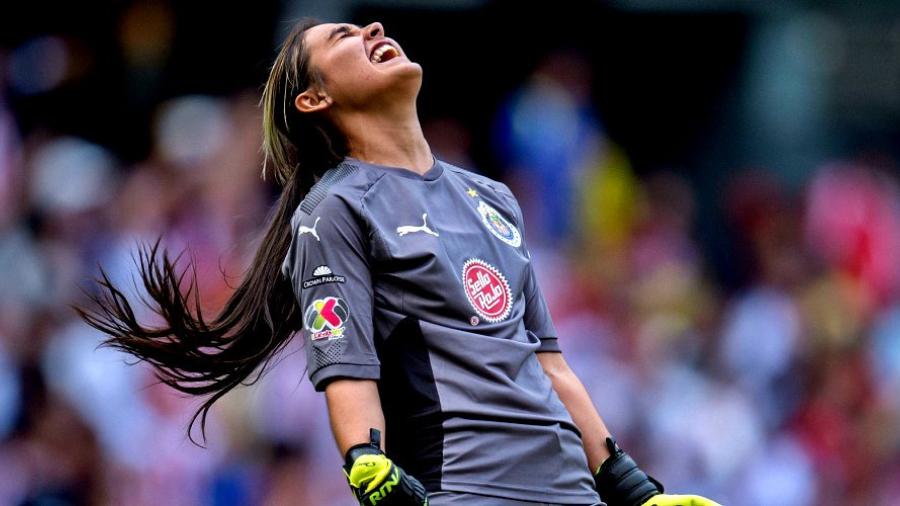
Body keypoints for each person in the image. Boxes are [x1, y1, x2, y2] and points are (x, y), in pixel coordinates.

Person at [76, 18, 721, 506]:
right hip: (468, 491)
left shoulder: (492, 197)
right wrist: (366, 460)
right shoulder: (334, 212)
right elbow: (345, 365)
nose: (374, 29)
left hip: (571, 492)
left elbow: (546, 362)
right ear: (314, 100)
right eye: (344, 39)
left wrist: (635, 489)